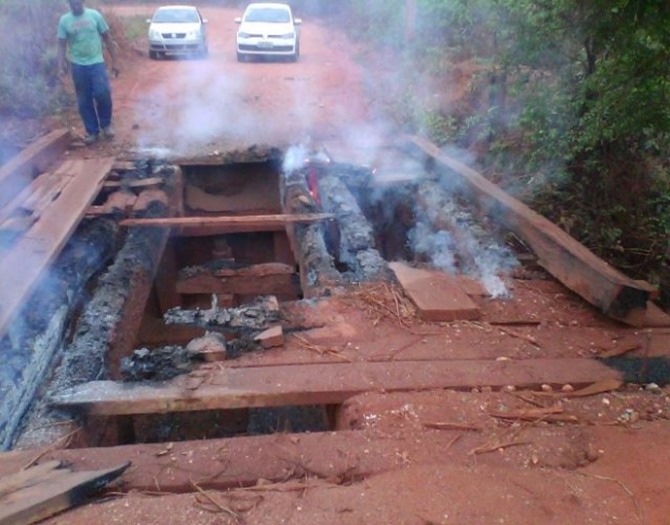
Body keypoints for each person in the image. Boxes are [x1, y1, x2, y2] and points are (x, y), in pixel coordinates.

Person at [57, 0, 119, 145]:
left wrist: (115, 61)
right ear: (69, 4)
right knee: (84, 99)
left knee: (102, 93)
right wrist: (59, 66)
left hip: (96, 62)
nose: (75, 5)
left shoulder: (94, 15)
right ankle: (92, 131)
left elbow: (108, 38)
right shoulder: (64, 20)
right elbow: (61, 45)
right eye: (72, 3)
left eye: (77, 2)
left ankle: (106, 125)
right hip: (77, 65)